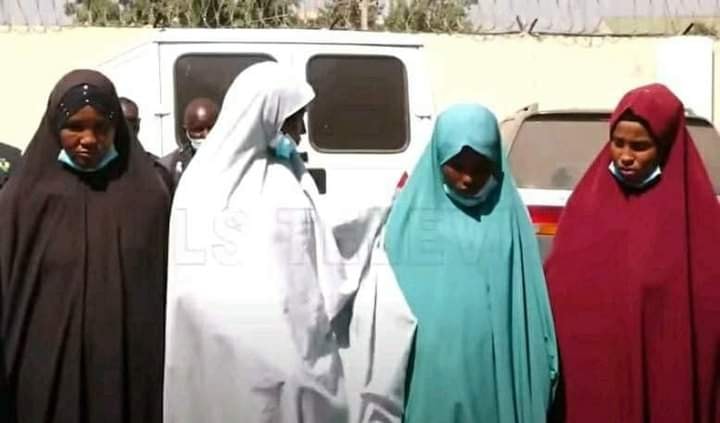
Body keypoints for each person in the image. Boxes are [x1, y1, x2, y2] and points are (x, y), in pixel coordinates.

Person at [163, 62, 416, 423]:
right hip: (226, 354)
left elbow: (320, 239)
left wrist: (377, 213)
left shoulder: (288, 172)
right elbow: (191, 288)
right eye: (295, 119)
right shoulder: (200, 186)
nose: (302, 131)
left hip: (295, 356)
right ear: (269, 116)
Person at [0, 69, 172, 423]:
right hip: (43, 371)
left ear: (118, 130)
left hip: (128, 370)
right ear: (53, 127)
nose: (88, 139)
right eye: (74, 126)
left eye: (101, 128)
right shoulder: (22, 200)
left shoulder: (148, 198)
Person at [545, 84, 720, 422]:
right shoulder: (586, 207)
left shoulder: (698, 223)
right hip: (596, 383)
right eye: (618, 143)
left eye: (640, 147)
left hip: (665, 381)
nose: (625, 156)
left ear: (666, 146)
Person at [384, 104, 559, 422]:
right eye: (455, 166)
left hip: (491, 380)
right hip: (426, 381)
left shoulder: (508, 221)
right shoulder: (407, 223)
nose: (467, 179)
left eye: (480, 168)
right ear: (437, 159)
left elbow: (530, 312)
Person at [159, 97, 218, 186]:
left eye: (212, 128)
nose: (206, 135)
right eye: (198, 129)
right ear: (186, 131)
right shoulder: (169, 167)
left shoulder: (237, 159)